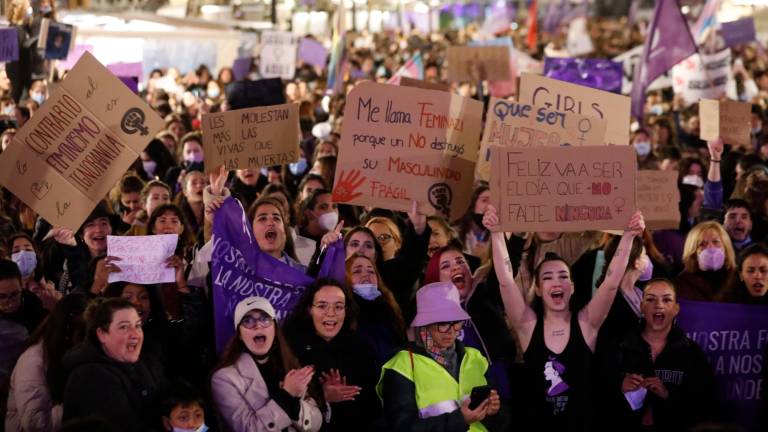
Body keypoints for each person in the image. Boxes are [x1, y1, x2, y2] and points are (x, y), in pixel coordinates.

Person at [485, 205, 644, 429]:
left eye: (563, 276)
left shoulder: (587, 322)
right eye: (548, 277)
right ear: (538, 289)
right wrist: (497, 233)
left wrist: (628, 236)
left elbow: (611, 282)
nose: (557, 281)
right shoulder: (527, 325)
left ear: (572, 287)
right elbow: (505, 280)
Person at [377, 282, 503, 431]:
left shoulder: (475, 357)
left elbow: (502, 421)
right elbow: (403, 426)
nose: (451, 331)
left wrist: (493, 413)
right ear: (425, 325)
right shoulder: (402, 364)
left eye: (456, 323)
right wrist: (460, 419)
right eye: (443, 324)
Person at [614, 279, 717, 430]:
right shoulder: (620, 347)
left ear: (676, 309)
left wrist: (667, 394)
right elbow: (596, 396)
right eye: (650, 299)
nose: (659, 305)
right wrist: (619, 386)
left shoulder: (691, 352)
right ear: (642, 307)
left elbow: (704, 403)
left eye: (667, 299)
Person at [211, 296, 322, 432]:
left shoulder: (290, 365)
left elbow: (316, 422)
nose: (258, 325)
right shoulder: (224, 379)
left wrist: (296, 405)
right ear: (239, 334)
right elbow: (247, 429)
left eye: (265, 319)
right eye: (248, 321)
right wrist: (287, 396)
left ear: (274, 329)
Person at [423, 243, 517, 404]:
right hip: (463, 398)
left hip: (506, 386)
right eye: (445, 266)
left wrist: (501, 235)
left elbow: (507, 267)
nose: (455, 268)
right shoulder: (431, 321)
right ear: (436, 279)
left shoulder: (485, 295)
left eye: (461, 262)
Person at [284, 279, 382, 430]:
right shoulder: (290, 346)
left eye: (338, 306)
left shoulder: (361, 347)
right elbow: (284, 405)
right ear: (309, 309)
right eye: (322, 306)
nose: (331, 313)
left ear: (346, 310)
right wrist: (322, 396)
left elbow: (373, 405)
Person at [63, 298, 168, 431]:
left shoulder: (141, 364)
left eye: (137, 326)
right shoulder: (91, 377)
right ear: (102, 334)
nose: (135, 334)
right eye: (124, 327)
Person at [5, 294, 88, 432]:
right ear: (68, 331)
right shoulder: (33, 361)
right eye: (84, 334)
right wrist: (85, 400)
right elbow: (37, 424)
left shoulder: (79, 354)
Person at [345, 253, 406, 366]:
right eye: (357, 271)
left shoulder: (391, 310)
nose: (365, 275)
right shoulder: (343, 314)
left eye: (371, 271)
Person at [675, 221, 737, 301]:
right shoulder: (682, 282)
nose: (710, 247)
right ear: (693, 251)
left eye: (716, 242)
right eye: (702, 244)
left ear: (725, 247)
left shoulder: (738, 277)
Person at [453, 185, 492, 261]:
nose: (489, 206)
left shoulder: (496, 236)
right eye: (484, 200)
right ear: (472, 204)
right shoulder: (454, 232)